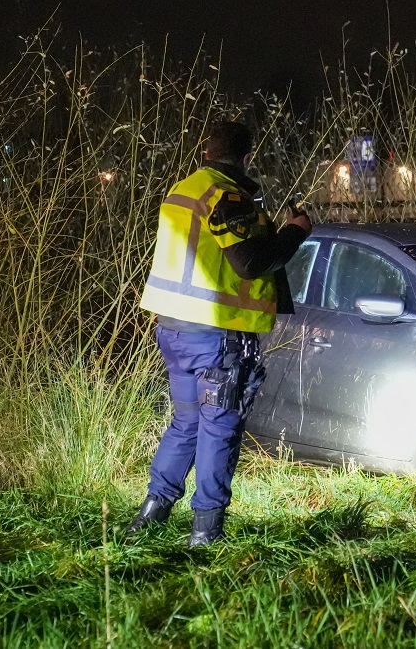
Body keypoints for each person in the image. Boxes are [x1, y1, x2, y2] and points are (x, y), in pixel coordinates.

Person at [127, 121, 312, 546]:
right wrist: (295, 232)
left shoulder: (183, 190)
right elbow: (249, 262)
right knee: (219, 428)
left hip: (175, 330)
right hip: (218, 336)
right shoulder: (226, 195)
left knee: (187, 423)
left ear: (205, 151)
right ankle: (206, 532)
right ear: (246, 156)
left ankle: (150, 517)